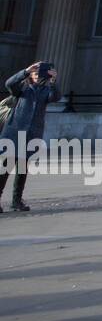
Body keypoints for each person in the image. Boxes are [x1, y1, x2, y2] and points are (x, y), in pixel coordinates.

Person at [0, 61, 60, 212]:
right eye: (34, 73)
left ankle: (16, 201)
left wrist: (53, 81)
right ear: (30, 75)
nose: (36, 75)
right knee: (6, 167)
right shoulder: (22, 88)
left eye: (39, 73)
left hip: (32, 134)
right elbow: (9, 83)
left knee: (22, 169)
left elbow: (56, 97)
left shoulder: (46, 91)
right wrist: (25, 71)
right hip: (14, 132)